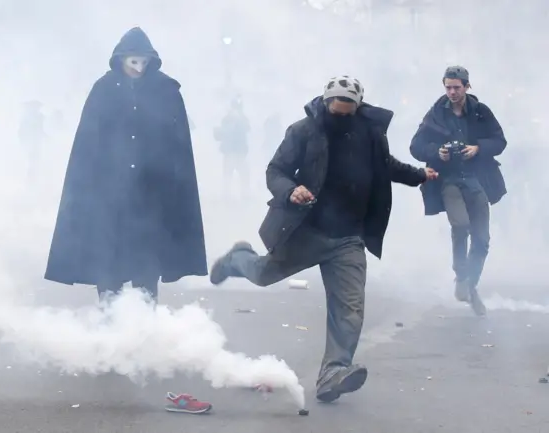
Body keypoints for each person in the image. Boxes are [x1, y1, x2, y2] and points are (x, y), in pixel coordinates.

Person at [209, 76, 437, 403]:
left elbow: (385, 166)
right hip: (306, 231)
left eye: (348, 112)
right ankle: (237, 259)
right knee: (262, 275)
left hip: (348, 239)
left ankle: (334, 372)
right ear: (326, 101)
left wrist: (419, 175)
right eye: (336, 110)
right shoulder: (303, 131)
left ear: (357, 108)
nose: (340, 117)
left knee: (349, 308)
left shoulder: (369, 133)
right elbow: (276, 170)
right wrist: (291, 191)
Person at [44, 27, 211, 414]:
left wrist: (172, 187)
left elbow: (177, 145)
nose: (137, 66)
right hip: (109, 195)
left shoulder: (167, 91)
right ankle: (110, 334)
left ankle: (143, 335)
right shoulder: (104, 90)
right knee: (109, 263)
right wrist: (89, 189)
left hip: (153, 196)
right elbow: (88, 143)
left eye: (143, 60)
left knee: (146, 264)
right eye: (131, 59)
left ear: (152, 60)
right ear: (120, 60)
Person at [410, 66, 507, 316]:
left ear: (467, 86)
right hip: (448, 180)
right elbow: (416, 146)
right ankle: (461, 275)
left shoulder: (480, 112)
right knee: (460, 225)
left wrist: (478, 148)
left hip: (476, 179)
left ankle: (470, 285)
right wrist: (436, 152)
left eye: (457, 87)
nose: (452, 92)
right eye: (448, 87)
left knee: (482, 239)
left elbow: (500, 141)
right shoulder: (435, 114)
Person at [214, 97, 251, 198]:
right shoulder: (231, 118)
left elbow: (247, 128)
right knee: (232, 175)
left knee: (238, 174)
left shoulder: (233, 118)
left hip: (235, 151)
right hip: (233, 151)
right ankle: (229, 195)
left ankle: (238, 195)